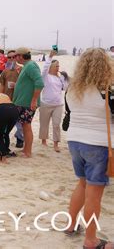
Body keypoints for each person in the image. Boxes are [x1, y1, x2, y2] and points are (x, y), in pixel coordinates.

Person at [65, 48, 113, 249]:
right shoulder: (108, 90)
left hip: (75, 141)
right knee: (94, 193)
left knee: (82, 184)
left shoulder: (73, 89)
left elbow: (69, 112)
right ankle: (91, 240)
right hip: (98, 144)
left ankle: (71, 224)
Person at [12, 47, 44, 158]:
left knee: (26, 126)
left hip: (27, 103)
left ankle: (28, 151)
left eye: (16, 56)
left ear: (21, 56)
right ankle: (26, 149)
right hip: (23, 102)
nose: (14, 58)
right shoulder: (27, 66)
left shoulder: (31, 66)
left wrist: (34, 100)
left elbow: (40, 83)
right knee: (24, 125)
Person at [39, 50, 67, 152]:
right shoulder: (46, 77)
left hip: (58, 105)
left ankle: (56, 143)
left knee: (56, 124)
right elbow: (45, 68)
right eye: (56, 66)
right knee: (44, 123)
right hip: (46, 103)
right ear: (51, 67)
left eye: (58, 66)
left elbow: (64, 89)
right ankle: (43, 141)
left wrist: (64, 79)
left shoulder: (60, 78)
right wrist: (50, 57)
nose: (58, 68)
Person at [0, 50, 24, 147]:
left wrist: (17, 85)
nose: (12, 59)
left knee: (19, 123)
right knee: (5, 122)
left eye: (13, 57)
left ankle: (20, 139)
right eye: (9, 57)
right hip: (7, 99)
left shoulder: (22, 69)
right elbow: (2, 84)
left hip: (19, 99)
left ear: (17, 57)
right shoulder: (5, 71)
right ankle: (5, 139)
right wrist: (0, 96)